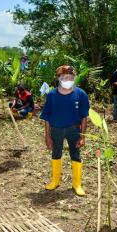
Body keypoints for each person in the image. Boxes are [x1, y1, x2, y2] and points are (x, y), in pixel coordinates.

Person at [40, 65, 90, 196]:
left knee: (76, 155)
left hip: (74, 129)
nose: (67, 79)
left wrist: (83, 136)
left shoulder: (81, 94)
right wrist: (47, 136)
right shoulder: (51, 95)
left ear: (74, 78)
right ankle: (55, 181)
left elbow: (84, 116)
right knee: (56, 154)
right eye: (64, 77)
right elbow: (47, 117)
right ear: (58, 78)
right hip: (56, 130)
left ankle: (77, 183)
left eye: (70, 77)